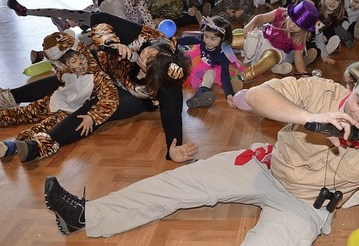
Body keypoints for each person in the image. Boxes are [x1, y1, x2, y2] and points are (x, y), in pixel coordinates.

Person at [43, 57, 359, 243]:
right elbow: (257, 96)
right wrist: (309, 119)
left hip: (306, 206)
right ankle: (88, 217)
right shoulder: (319, 92)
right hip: (263, 168)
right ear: (352, 86)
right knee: (177, 184)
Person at [89, 12, 196, 162]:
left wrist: (174, 148)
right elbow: (97, 17)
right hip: (99, 69)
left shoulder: (167, 80)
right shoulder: (145, 36)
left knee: (92, 114)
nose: (143, 58)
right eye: (149, 53)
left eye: (149, 65)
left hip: (129, 95)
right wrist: (111, 42)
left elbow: (172, 114)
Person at [0, 33, 118, 162]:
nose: (81, 64)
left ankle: (12, 146)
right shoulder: (64, 71)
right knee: (24, 112)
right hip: (53, 101)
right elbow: (56, 61)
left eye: (82, 59)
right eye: (74, 62)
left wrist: (93, 116)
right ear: (66, 65)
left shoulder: (99, 78)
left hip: (68, 111)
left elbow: (110, 99)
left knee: (42, 127)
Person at [238, 0, 320, 81]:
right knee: (237, 39)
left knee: (270, 59)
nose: (292, 25)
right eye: (292, 20)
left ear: (303, 29)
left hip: (276, 51)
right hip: (262, 38)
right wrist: (252, 23)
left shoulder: (298, 39)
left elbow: (298, 61)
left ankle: (242, 77)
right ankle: (225, 41)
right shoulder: (280, 12)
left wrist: (304, 73)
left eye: (297, 25)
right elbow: (261, 18)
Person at [179, 16, 244, 108]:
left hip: (214, 67)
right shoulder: (203, 39)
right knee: (182, 61)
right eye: (206, 36)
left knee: (210, 73)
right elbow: (190, 39)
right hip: (199, 61)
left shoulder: (223, 55)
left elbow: (224, 74)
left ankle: (201, 94)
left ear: (223, 39)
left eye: (213, 39)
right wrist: (175, 41)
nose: (208, 41)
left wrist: (229, 95)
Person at [314, 0, 351, 64]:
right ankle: (318, 50)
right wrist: (324, 55)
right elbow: (318, 39)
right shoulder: (316, 10)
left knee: (336, 30)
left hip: (325, 32)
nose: (333, 2)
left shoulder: (340, 12)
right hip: (311, 34)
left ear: (341, 1)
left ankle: (324, 46)